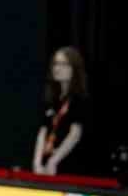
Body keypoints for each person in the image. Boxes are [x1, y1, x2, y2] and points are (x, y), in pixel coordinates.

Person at [34, 46, 90, 176]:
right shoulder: (52, 99)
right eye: (55, 64)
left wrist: (54, 161)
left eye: (63, 64)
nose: (57, 68)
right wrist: (37, 162)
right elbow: (43, 132)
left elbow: (75, 135)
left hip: (67, 167)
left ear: (74, 69)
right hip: (46, 164)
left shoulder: (79, 100)